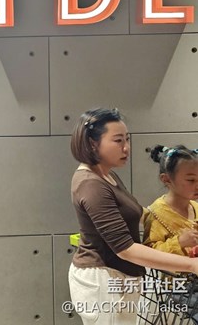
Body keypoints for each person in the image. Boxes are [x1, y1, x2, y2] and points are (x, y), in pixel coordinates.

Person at [69, 108, 198, 325]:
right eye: (118, 140)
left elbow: (137, 212)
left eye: (127, 139)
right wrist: (191, 265)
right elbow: (125, 249)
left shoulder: (107, 175)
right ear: (92, 143)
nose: (126, 147)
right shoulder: (91, 184)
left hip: (119, 278)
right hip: (103, 279)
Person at [143, 145, 198, 323]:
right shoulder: (156, 214)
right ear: (166, 179)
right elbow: (149, 254)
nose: (197, 185)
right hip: (179, 286)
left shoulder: (195, 206)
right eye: (191, 180)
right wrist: (179, 242)